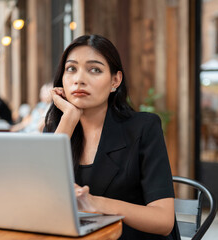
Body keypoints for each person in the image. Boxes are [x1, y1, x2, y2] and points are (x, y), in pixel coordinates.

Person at [44, 35, 180, 240]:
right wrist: (70, 117)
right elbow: (42, 197)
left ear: (115, 81)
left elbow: (164, 221)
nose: (79, 79)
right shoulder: (59, 131)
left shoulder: (143, 127)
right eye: (71, 68)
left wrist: (95, 203)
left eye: (94, 70)